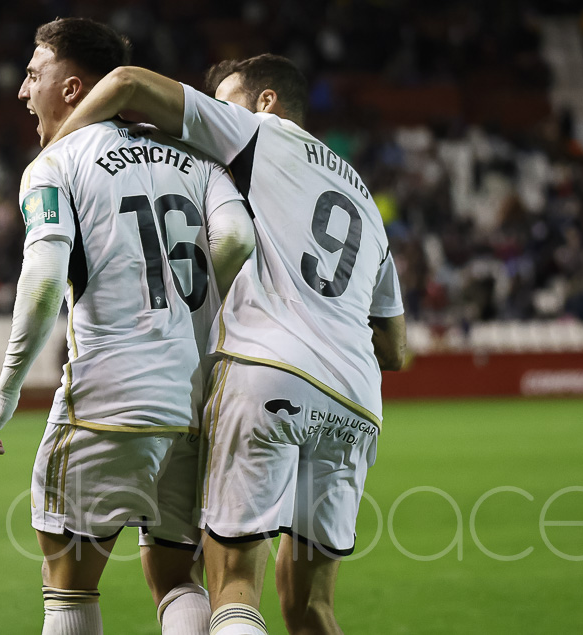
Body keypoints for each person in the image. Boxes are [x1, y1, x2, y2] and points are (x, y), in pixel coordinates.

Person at [51, 55, 407, 634]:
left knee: (234, 589)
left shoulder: (257, 135)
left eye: (226, 99)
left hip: (268, 373)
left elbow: (126, 82)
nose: (215, 113)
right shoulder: (363, 194)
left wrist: (52, 158)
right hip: (356, 403)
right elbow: (394, 347)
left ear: (266, 103)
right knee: (311, 610)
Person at [0, 17, 255, 635]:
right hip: (192, 398)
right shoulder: (196, 157)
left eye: (33, 74)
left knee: (69, 586)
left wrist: (5, 395)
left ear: (72, 88)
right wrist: (195, 316)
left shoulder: (55, 162)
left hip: (108, 392)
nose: (23, 91)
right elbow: (236, 236)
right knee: (176, 578)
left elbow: (46, 279)